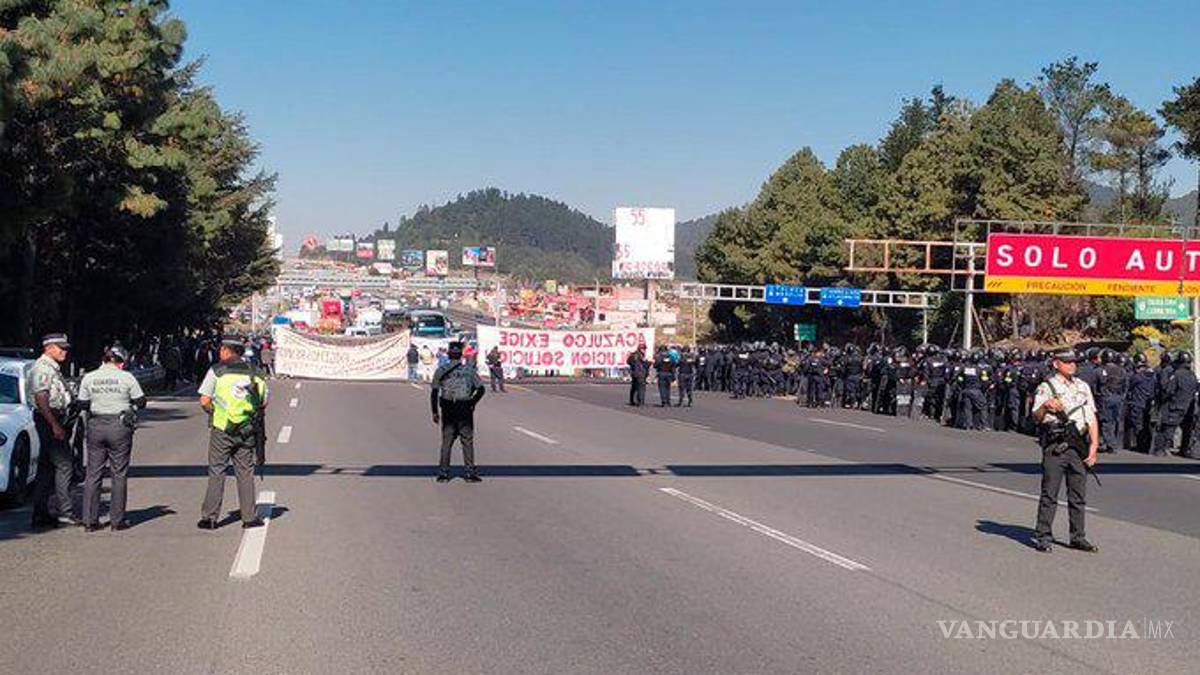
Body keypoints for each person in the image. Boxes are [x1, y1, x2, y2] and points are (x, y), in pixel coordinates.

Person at [1030, 349, 1099, 554]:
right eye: (1067, 362)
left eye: (1074, 362)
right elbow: (1036, 417)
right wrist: (1046, 406)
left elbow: (1091, 416)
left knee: (1078, 495)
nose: (1072, 365)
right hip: (1056, 445)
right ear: (1056, 364)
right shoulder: (1047, 387)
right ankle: (1043, 536)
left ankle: (1078, 537)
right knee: (1049, 493)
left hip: (1078, 445)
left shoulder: (1083, 386)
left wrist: (1094, 445)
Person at [197, 337, 268, 530]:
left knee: (217, 471)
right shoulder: (256, 372)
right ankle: (249, 517)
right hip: (247, 430)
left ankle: (210, 518)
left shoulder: (217, 371)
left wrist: (214, 412)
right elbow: (263, 402)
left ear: (227, 351)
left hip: (222, 429)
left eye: (221, 349)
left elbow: (204, 400)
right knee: (245, 472)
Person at [77, 345, 146, 532]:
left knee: (93, 474)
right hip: (119, 425)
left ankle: (90, 521)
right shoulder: (127, 377)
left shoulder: (89, 377)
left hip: (96, 424)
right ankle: (117, 521)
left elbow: (82, 403)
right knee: (119, 473)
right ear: (121, 362)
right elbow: (141, 401)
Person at [29, 333, 79, 529]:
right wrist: (54, 424)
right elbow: (41, 397)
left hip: (52, 418)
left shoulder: (52, 368)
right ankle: (65, 511)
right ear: (48, 348)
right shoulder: (43, 368)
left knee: (47, 467)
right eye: (61, 348)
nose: (64, 351)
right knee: (64, 464)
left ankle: (40, 513)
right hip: (49, 418)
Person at [431, 342, 485, 482]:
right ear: (461, 356)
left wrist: (435, 412)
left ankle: (443, 473)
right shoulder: (468, 370)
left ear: (449, 355)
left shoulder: (441, 370)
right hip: (464, 407)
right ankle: (469, 473)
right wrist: (473, 402)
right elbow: (481, 389)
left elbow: (434, 392)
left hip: (448, 408)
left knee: (447, 442)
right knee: (467, 440)